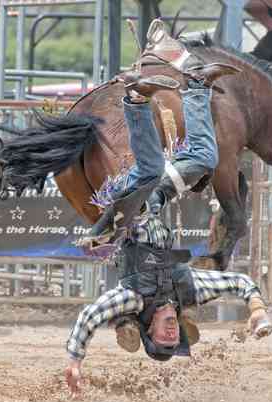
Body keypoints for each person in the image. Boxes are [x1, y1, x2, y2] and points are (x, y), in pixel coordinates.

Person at [64, 69, 272, 397]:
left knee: (149, 171)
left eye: (164, 339)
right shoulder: (189, 290)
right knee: (205, 158)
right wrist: (257, 311)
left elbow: (91, 315)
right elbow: (240, 283)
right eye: (175, 339)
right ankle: (198, 86)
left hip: (127, 212)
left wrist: (75, 361)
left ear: (150, 329)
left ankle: (136, 98)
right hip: (156, 201)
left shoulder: (132, 297)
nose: (172, 333)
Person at [84, 20, 239, 246]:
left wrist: (97, 233)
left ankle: (189, 83)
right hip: (129, 192)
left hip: (126, 194)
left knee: (199, 157)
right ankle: (144, 96)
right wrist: (96, 233)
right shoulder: (140, 242)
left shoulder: (138, 244)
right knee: (156, 167)